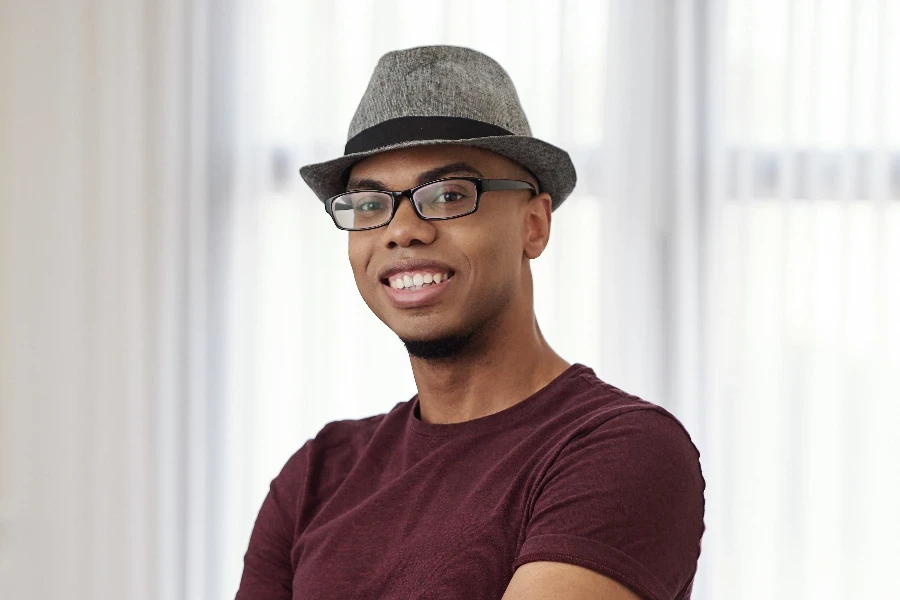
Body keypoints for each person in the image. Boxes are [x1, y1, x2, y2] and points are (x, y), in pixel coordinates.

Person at [235, 44, 705, 600]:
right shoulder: (317, 476)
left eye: (448, 195)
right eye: (368, 204)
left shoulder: (620, 449)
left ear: (534, 225)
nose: (401, 230)